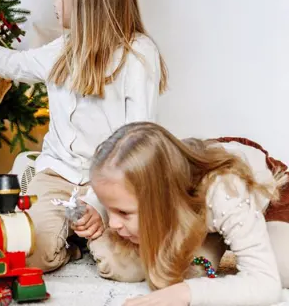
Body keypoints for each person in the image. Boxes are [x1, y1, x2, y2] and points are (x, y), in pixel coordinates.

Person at [0, 0, 168, 274]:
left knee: (124, 268)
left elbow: (139, 146)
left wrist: (96, 206)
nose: (53, 0)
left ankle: (87, 235)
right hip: (57, 175)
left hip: (109, 185)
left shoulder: (138, 55)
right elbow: (11, 64)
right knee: (31, 254)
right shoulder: (63, 48)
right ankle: (72, 247)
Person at [90, 122, 289, 306]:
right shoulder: (149, 182)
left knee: (282, 268)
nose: (113, 223)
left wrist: (187, 293)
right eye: (109, 210)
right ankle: (212, 239)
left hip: (270, 195)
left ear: (164, 200)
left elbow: (265, 284)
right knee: (131, 266)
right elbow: (113, 189)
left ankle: (224, 236)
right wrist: (93, 208)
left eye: (124, 213)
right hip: (196, 209)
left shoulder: (226, 189)